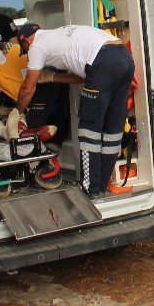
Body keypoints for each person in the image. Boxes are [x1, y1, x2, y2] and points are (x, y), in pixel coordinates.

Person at [14, 23, 135, 198]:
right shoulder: (58, 34)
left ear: (25, 41)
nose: (26, 55)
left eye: (24, 50)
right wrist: (52, 77)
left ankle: (89, 189)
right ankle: (101, 186)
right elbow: (85, 76)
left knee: (89, 131)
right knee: (112, 129)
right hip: (123, 57)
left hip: (102, 61)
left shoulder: (36, 46)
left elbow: (28, 88)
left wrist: (17, 112)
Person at [0, 40, 82, 142]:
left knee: (30, 125)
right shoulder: (0, 55)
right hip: (38, 83)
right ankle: (27, 134)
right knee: (35, 120)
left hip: (35, 87)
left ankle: (27, 136)